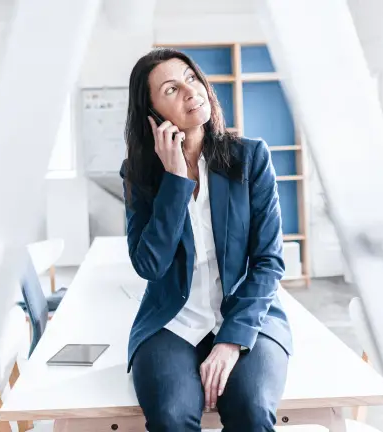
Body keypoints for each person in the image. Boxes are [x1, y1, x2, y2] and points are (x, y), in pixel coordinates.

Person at [120, 48, 293, 431]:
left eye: (191, 78)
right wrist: (175, 180)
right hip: (172, 320)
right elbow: (150, 265)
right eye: (171, 89)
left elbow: (268, 262)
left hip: (247, 315)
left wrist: (231, 341)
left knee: (251, 410)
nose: (190, 91)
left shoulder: (250, 158)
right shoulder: (138, 174)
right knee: (170, 416)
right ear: (151, 114)